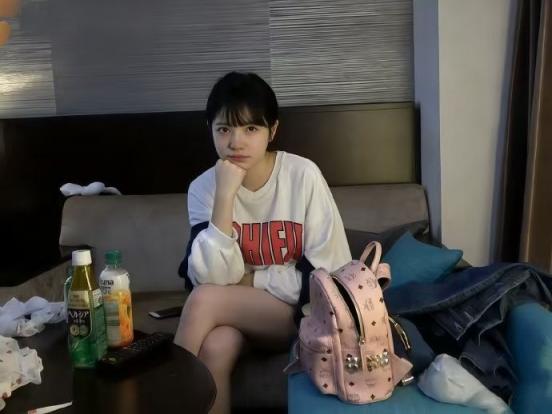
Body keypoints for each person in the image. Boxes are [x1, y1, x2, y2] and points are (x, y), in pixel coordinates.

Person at [174, 71, 351, 414]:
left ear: (273, 130)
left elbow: (328, 276)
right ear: (210, 129)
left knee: (204, 300)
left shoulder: (302, 175)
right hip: (239, 317)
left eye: (251, 129)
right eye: (224, 129)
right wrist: (225, 196)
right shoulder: (203, 188)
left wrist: (252, 279)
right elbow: (210, 276)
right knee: (216, 346)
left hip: (303, 316)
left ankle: (161, 399)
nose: (236, 142)